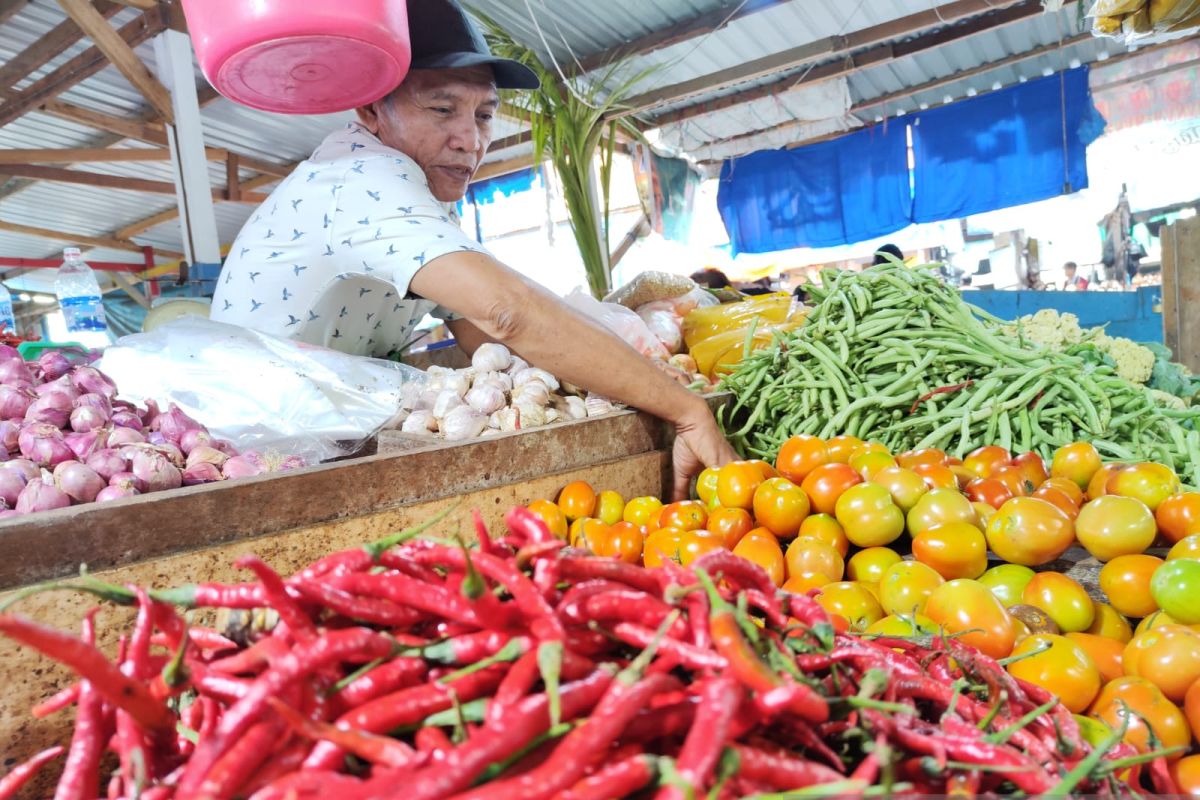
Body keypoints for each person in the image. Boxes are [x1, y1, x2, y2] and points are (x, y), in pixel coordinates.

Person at [210, 0, 734, 497]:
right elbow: (505, 312)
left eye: (484, 115)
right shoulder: (362, 177)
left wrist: (631, 375)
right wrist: (685, 410)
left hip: (317, 437)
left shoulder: (423, 195)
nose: (470, 139)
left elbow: (477, 326)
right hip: (248, 457)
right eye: (442, 108)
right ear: (371, 109)